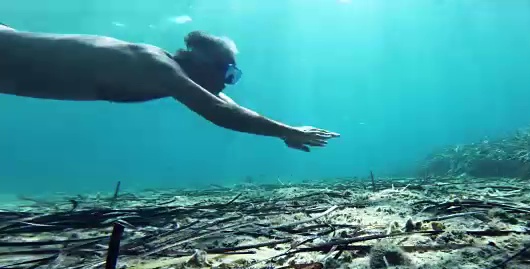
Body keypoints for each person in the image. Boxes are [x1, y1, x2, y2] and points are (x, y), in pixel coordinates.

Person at [0, 24, 339, 152]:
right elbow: (219, 111)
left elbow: (225, 104)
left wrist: (286, 132)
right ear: (206, 63)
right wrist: (288, 131)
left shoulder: (170, 72)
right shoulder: (155, 65)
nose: (226, 84)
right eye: (229, 74)